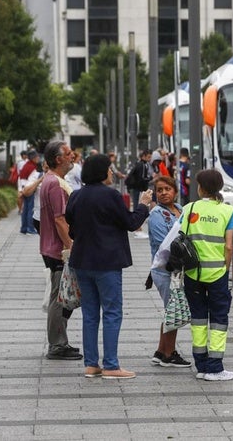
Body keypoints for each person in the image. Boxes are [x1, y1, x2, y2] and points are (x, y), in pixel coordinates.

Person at [65, 154, 152, 379]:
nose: (112, 173)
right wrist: (143, 205)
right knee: (112, 312)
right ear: (102, 172)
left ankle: (91, 364)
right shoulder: (110, 196)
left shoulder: (75, 196)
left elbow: (72, 229)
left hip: (82, 262)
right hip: (107, 263)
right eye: (110, 169)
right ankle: (111, 365)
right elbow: (132, 223)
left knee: (90, 314)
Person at [183, 169, 233, 381]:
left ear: (201, 188)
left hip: (192, 273)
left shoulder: (189, 208)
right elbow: (230, 246)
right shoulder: (227, 211)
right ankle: (215, 367)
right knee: (218, 319)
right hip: (217, 273)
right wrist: (226, 268)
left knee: (197, 318)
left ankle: (201, 365)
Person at [38, 140, 82, 361]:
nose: (72, 156)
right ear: (58, 159)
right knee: (60, 298)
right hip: (58, 249)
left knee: (61, 296)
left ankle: (60, 341)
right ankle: (57, 344)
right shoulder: (55, 184)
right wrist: (71, 247)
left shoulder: (51, 180)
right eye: (68, 153)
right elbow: (60, 220)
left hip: (52, 247)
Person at [147, 175, 190, 368]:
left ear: (175, 190)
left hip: (177, 270)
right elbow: (162, 241)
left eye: (167, 189)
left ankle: (161, 350)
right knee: (173, 310)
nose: (164, 193)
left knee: (170, 310)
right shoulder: (157, 213)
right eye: (160, 190)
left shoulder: (181, 209)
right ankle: (169, 354)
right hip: (165, 269)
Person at [126, 150, 152, 239]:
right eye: (148, 157)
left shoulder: (139, 164)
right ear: (143, 156)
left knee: (138, 206)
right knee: (138, 206)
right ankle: (138, 229)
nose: (150, 159)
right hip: (138, 188)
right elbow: (142, 177)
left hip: (136, 187)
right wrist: (150, 179)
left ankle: (138, 228)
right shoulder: (142, 165)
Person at [19, 149, 40, 234]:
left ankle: (24, 228)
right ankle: (30, 228)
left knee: (25, 209)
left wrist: (21, 190)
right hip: (29, 189)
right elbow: (31, 180)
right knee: (30, 209)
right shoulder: (32, 167)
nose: (38, 158)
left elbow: (21, 178)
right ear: (33, 158)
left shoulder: (26, 165)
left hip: (24, 189)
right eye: (37, 156)